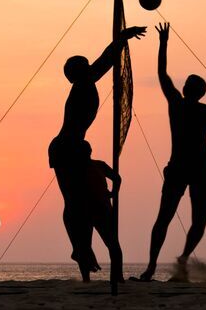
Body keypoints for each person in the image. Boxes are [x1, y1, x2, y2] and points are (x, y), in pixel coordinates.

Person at [49, 26, 146, 281]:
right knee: (73, 201)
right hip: (65, 147)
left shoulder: (86, 82)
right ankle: (80, 246)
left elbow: (103, 63)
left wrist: (121, 40)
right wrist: (121, 39)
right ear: (76, 73)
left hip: (72, 146)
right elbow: (104, 62)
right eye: (83, 65)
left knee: (78, 202)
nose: (88, 66)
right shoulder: (83, 83)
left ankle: (82, 248)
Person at [138, 23, 206, 281]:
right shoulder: (199, 109)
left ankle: (159, 265)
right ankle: (164, 264)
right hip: (189, 167)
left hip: (190, 168)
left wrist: (163, 43)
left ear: (188, 90)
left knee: (173, 219)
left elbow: (162, 73)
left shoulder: (182, 105)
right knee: (180, 220)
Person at [80, 141, 123, 282]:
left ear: (90, 151)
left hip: (102, 209)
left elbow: (117, 178)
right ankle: (86, 278)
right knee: (84, 246)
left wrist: (113, 193)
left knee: (112, 244)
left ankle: (117, 276)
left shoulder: (99, 165)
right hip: (85, 210)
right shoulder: (75, 168)